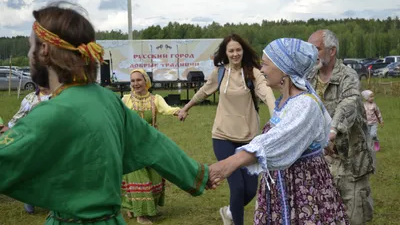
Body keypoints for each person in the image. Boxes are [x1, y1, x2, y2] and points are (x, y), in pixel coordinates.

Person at [0, 2, 211, 225]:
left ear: (44, 50)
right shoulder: (106, 98)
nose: (29, 53)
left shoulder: (54, 111)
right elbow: (154, 141)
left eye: (31, 46)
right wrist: (199, 174)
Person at [207, 38, 348, 224]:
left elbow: (276, 140)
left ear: (284, 69)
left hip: (302, 190)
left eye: (265, 64)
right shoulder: (285, 100)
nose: (262, 70)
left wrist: (227, 165)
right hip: (283, 185)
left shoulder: (304, 104)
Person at [178, 34, 276, 225]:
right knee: (238, 188)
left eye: (238, 50)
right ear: (225, 53)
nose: (235, 53)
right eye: (231, 50)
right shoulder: (220, 73)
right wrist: (186, 107)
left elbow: (266, 93)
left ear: (243, 51)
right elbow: (204, 91)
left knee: (250, 190)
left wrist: (276, 117)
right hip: (223, 137)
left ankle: (229, 212)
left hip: (249, 139)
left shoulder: (253, 73)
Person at [307, 29, 374, 225]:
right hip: (320, 162)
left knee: (354, 216)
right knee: (324, 216)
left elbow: (350, 102)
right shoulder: (308, 77)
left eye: (316, 49)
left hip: (351, 162)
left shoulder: (348, 76)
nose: (312, 54)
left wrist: (332, 130)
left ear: (332, 50)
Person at [121, 68, 181, 224]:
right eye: (133, 81)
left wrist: (178, 112)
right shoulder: (125, 99)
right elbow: (116, 116)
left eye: (139, 80)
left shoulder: (156, 99)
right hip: (132, 144)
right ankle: (141, 214)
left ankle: (141, 208)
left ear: (146, 81)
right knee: (138, 176)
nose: (136, 84)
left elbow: (167, 109)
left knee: (154, 175)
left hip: (151, 142)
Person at [4, 85, 51, 214]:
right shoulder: (30, 98)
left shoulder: (59, 96)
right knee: (33, 171)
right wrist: (7, 129)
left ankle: (51, 201)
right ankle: (30, 201)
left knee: (51, 171)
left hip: (53, 140)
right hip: (34, 141)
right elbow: (17, 118)